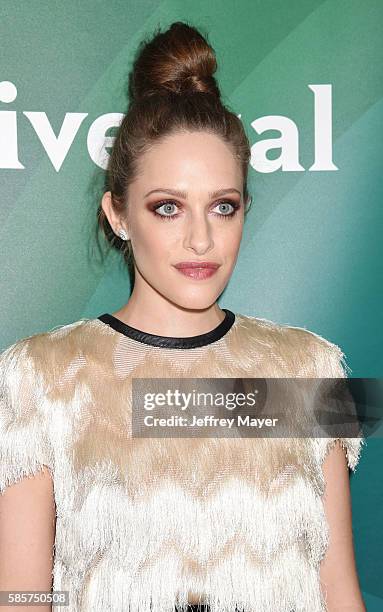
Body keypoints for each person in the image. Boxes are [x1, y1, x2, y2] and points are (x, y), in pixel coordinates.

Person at [0, 21, 366, 612]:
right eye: (167, 207)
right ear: (117, 216)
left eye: (223, 207)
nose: (201, 239)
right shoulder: (39, 380)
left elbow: (339, 592)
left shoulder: (312, 370)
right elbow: (17, 597)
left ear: (245, 209)